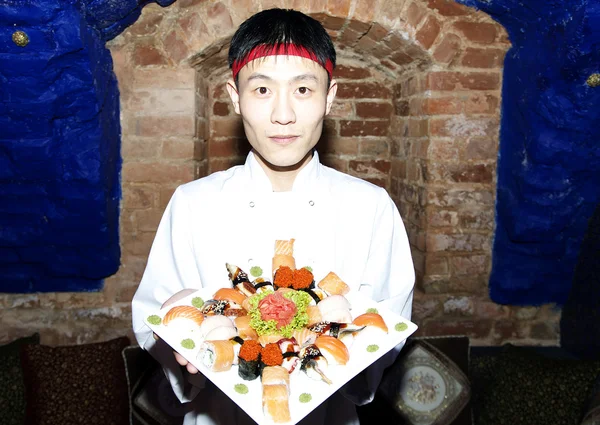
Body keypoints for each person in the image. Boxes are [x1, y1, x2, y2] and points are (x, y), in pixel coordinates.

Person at [131, 8, 414, 425]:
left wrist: (340, 361)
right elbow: (150, 317)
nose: (283, 114)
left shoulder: (370, 207)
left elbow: (388, 333)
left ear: (329, 98)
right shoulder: (193, 203)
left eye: (303, 89)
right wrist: (180, 345)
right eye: (262, 90)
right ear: (234, 96)